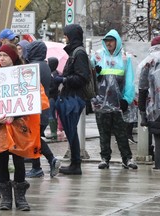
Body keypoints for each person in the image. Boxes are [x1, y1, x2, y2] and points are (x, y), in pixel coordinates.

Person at [0, 43, 41, 211]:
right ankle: (6, 198)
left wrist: (15, 115)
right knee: (2, 160)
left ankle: (20, 198)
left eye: (5, 56)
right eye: (0, 56)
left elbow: (30, 100)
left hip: (18, 126)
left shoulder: (24, 75)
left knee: (18, 159)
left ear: (13, 57)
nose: (2, 59)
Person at [90, 29, 138, 170]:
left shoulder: (125, 58)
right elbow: (89, 75)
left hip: (118, 103)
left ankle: (127, 158)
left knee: (121, 133)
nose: (109, 43)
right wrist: (95, 73)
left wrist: (126, 99)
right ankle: (105, 158)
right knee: (103, 133)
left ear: (117, 41)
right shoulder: (97, 56)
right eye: (106, 41)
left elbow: (130, 80)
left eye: (111, 40)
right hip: (101, 103)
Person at [54, 24, 90, 175]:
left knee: (71, 131)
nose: (65, 38)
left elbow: (82, 77)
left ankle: (76, 164)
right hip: (71, 97)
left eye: (66, 35)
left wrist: (63, 80)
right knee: (70, 131)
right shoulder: (76, 52)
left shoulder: (79, 53)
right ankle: (75, 163)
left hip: (74, 98)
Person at [24, 41, 60, 178]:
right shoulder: (44, 65)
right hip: (43, 108)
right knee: (34, 138)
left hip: (36, 109)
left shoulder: (34, 67)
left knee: (35, 138)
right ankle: (37, 166)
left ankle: (49, 161)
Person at [138, 35, 160, 169]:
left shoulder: (147, 62)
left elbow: (142, 89)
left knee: (158, 139)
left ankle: (158, 167)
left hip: (154, 110)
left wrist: (142, 114)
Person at [46, 57, 61, 140]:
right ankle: (54, 132)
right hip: (55, 96)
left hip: (51, 97)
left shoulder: (52, 75)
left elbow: (52, 86)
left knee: (51, 115)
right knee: (53, 115)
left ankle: (53, 133)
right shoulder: (56, 73)